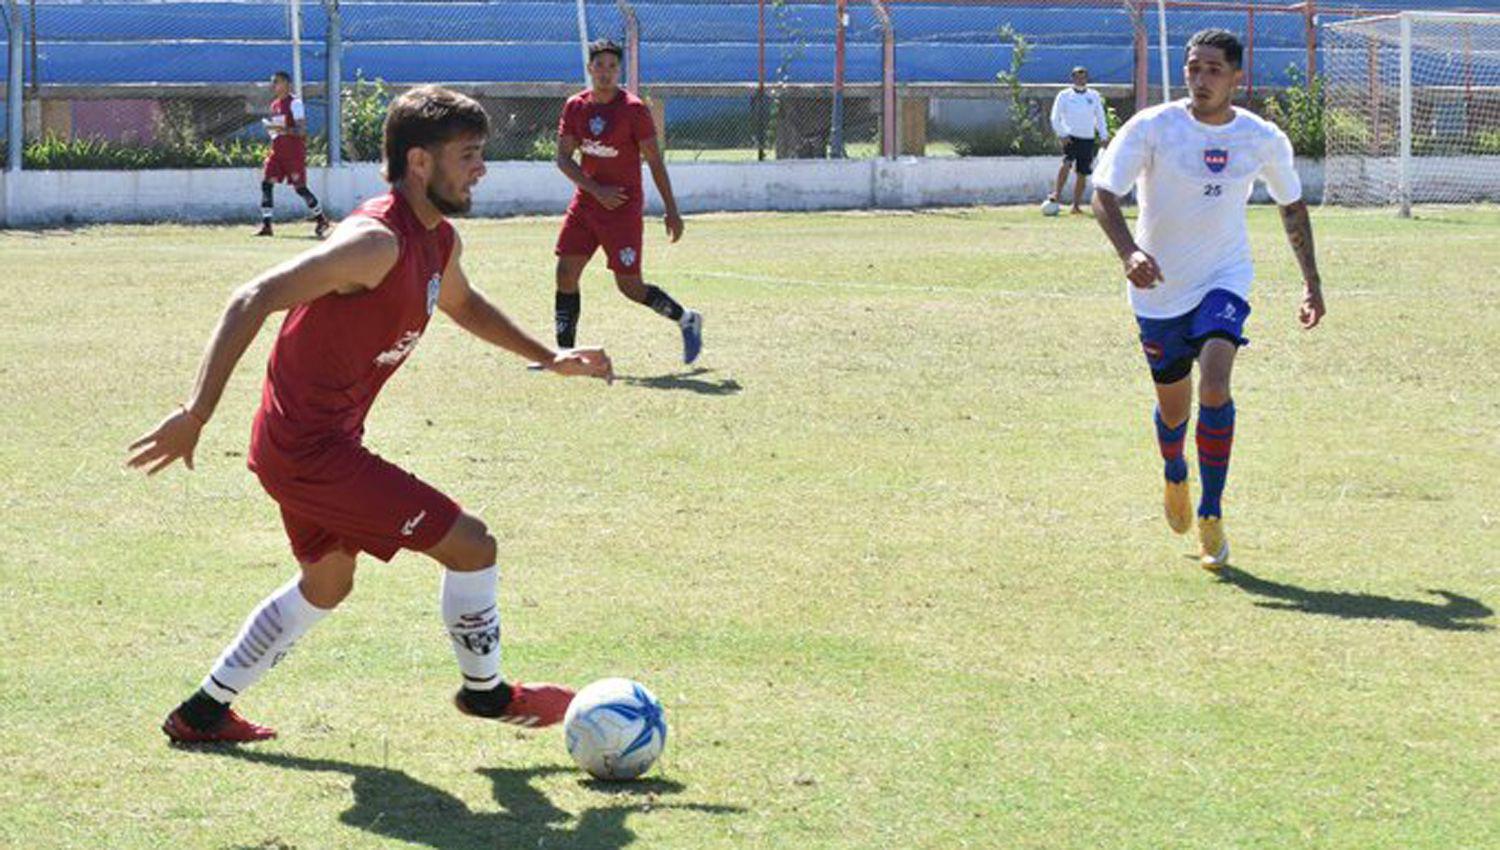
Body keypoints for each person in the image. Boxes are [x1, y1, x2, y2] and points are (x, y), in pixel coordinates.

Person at [129, 85, 614, 744]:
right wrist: (196, 410)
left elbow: (466, 307)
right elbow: (253, 296)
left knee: (327, 584)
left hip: (303, 446)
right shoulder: (375, 241)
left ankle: (204, 712)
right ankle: (489, 695)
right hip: (311, 453)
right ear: (420, 163)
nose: (481, 169)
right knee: (471, 545)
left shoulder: (438, 242)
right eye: (468, 155)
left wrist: (547, 355)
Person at [1089, 29, 1327, 568]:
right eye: (1194, 68)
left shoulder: (1262, 137)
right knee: (1174, 411)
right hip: (1158, 289)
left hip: (1225, 276)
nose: (1200, 78)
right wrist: (1129, 253)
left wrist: (1311, 282)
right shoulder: (1152, 127)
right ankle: (1175, 472)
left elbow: (1292, 208)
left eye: (1214, 69)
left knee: (1215, 386)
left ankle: (1212, 513)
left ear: (1237, 77)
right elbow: (1104, 195)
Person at [553, 39, 703, 363]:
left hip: (622, 209)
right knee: (565, 272)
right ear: (590, 68)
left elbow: (655, 161)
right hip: (587, 204)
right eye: (600, 66)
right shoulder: (575, 107)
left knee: (630, 287)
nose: (605, 72)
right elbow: (563, 159)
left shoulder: (633, 110)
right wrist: (595, 190)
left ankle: (687, 319)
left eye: (612, 66)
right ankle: (564, 355)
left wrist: (672, 211)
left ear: (619, 71)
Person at [258, 70, 331, 239]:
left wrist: (281, 129)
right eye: (273, 82)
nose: (273, 85)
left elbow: (302, 131)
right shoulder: (275, 104)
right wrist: (273, 132)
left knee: (300, 189)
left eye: (276, 82)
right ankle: (267, 225)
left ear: (286, 83)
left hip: (293, 152)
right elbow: (278, 129)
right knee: (266, 183)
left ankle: (321, 219)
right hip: (277, 150)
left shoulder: (295, 103)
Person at [1048, 66, 1111, 214]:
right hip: (1070, 137)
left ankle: (1076, 206)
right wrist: (1062, 134)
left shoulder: (1094, 96)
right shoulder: (1064, 95)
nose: (1080, 80)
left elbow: (1100, 117)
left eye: (1083, 77)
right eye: (1077, 77)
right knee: (1066, 163)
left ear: (1087, 79)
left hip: (1087, 138)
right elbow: (1055, 117)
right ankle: (1056, 194)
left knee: (1082, 173)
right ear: (1072, 78)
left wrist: (1103, 136)